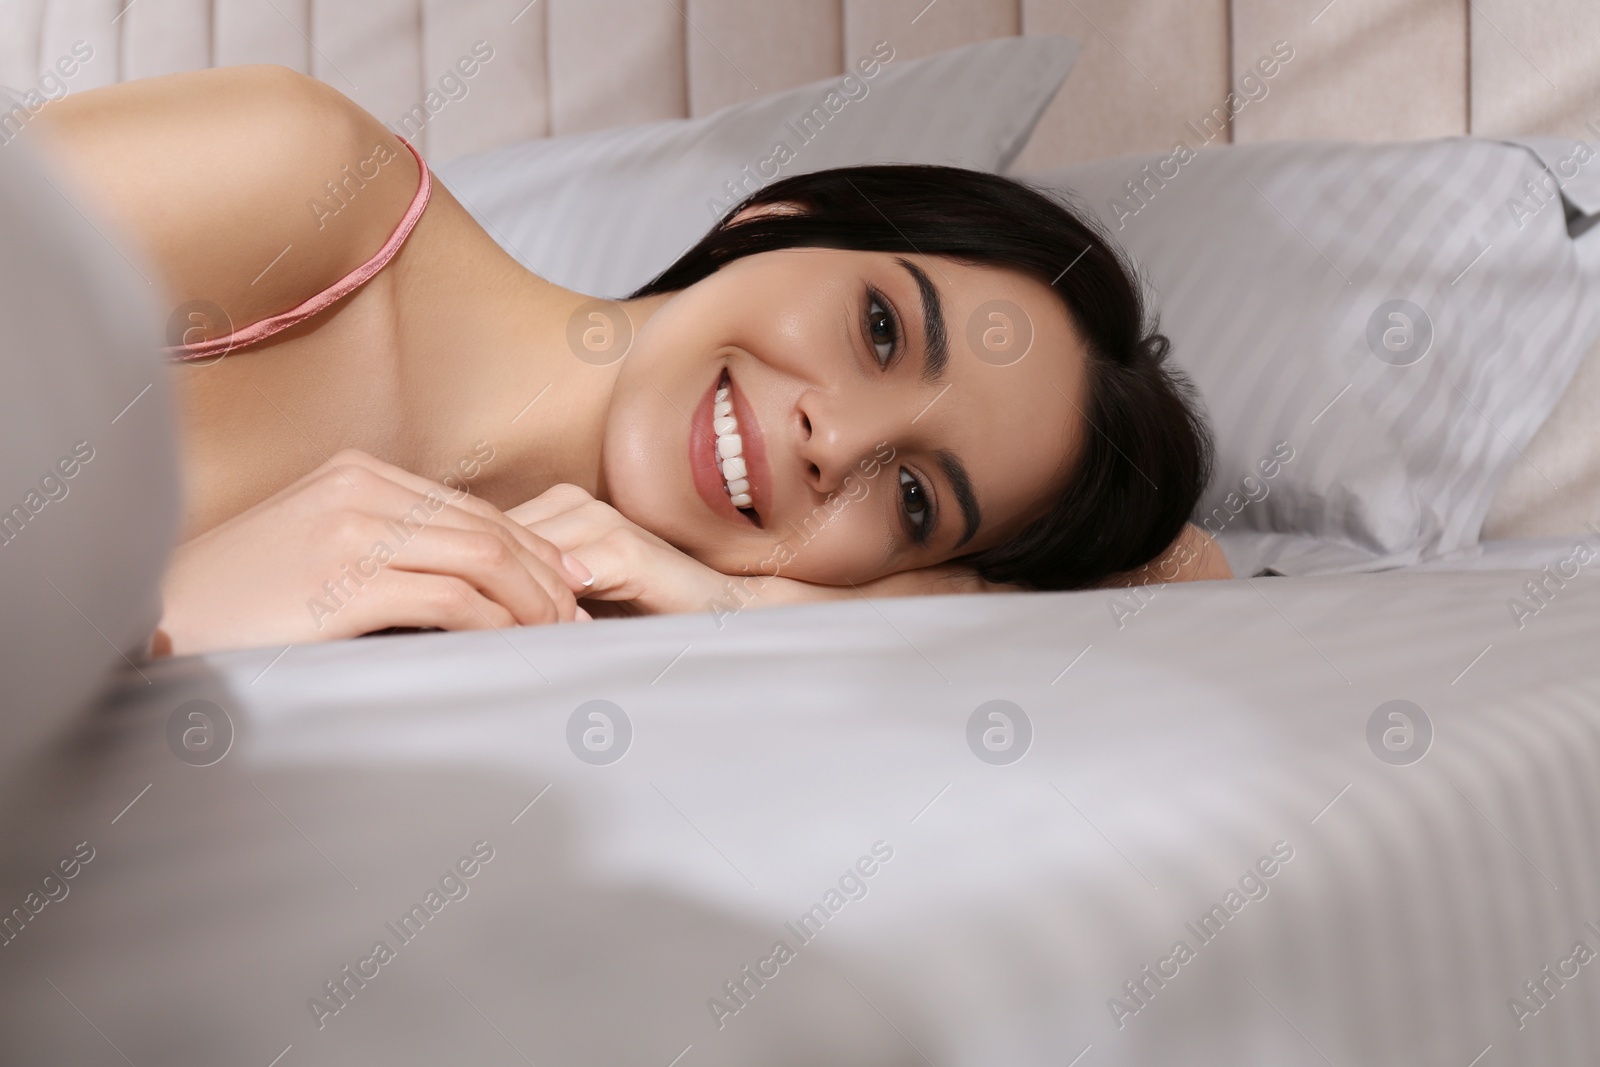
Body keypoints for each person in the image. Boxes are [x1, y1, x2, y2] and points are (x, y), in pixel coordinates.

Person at [29, 64, 1229, 657]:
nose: (841, 441)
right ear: (784, 215)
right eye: (880, 329)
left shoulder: (564, 614)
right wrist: (151, 616)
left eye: (914, 498)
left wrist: (756, 600)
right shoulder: (298, 182)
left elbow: (1188, 577)